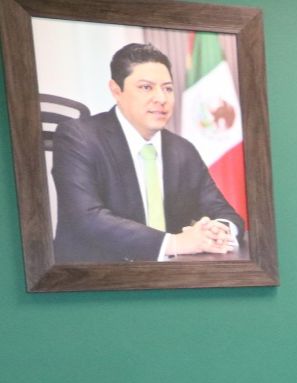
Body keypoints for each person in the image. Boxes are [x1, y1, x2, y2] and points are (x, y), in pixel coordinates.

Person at [51, 42, 245, 263]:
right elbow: (86, 218)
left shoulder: (182, 149)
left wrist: (219, 230)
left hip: (172, 276)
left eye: (167, 88)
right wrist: (174, 243)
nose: (161, 99)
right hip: (94, 276)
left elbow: (224, 212)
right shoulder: (78, 136)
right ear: (116, 90)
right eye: (146, 87)